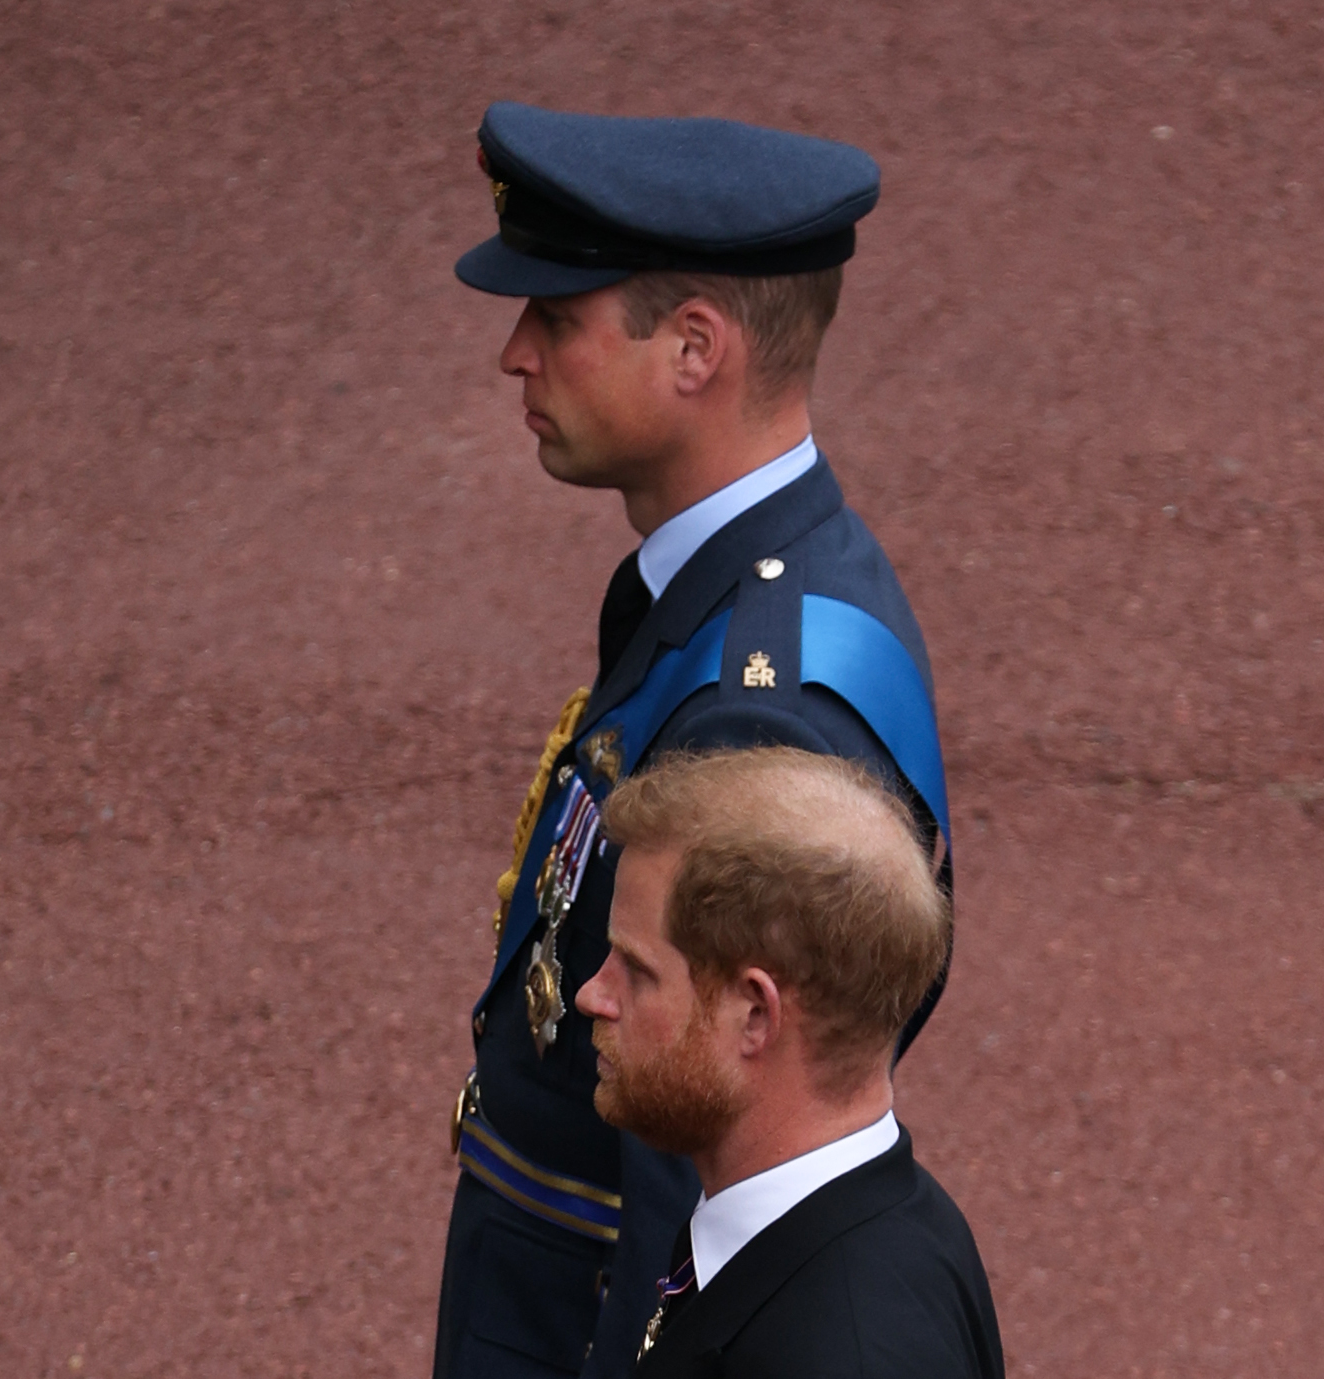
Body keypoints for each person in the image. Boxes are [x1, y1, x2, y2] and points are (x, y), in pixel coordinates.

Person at [434, 103, 953, 1379]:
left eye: (557, 320)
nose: (516, 353)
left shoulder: (756, 697)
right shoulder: (725, 596)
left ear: (694, 349)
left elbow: (710, 1127)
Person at [577, 748, 1001, 1379]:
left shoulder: (843, 1352)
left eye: (636, 972)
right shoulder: (883, 1220)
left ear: (754, 1014)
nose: (592, 994)